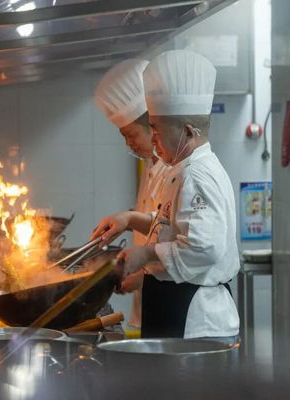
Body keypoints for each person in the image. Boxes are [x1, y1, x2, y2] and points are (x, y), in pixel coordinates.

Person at [91, 50, 240, 340]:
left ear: (187, 132)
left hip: (196, 320)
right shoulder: (183, 169)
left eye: (156, 130)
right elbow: (173, 227)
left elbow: (204, 248)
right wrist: (130, 220)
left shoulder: (196, 174)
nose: (154, 139)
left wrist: (146, 253)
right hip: (178, 311)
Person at [94, 59, 169, 330]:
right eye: (123, 136)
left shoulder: (180, 168)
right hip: (152, 303)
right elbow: (157, 221)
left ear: (153, 126)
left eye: (130, 134)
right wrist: (127, 219)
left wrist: (143, 276)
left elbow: (184, 242)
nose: (128, 143)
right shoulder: (152, 163)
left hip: (175, 306)